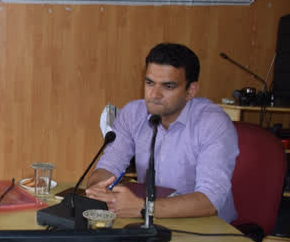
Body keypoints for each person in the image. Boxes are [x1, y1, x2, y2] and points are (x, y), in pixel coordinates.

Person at [85, 43, 239, 221]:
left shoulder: (213, 123)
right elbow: (109, 166)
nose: (154, 94)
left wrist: (144, 208)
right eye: (149, 83)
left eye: (168, 86)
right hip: (149, 220)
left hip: (206, 228)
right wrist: (98, 189)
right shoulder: (133, 114)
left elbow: (210, 200)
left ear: (191, 91)